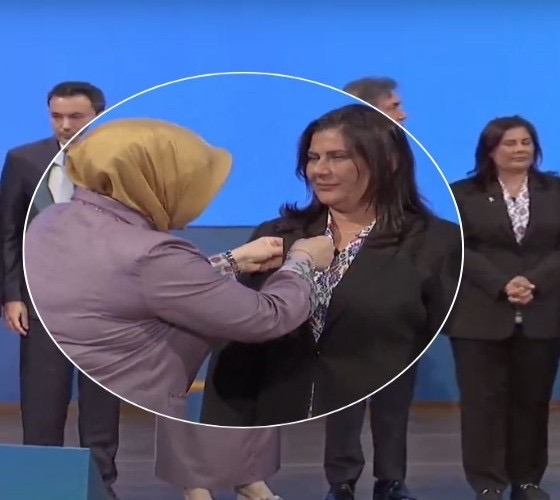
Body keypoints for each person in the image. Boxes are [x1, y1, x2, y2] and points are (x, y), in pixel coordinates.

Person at [22, 117, 335, 500]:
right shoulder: (152, 253)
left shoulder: (55, 217)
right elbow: (266, 317)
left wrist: (231, 261)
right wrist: (303, 261)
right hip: (142, 374)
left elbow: (137, 285)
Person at [199, 105, 461, 434]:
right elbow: (238, 340)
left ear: (389, 162)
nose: (320, 170)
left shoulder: (436, 243)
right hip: (273, 428)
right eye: (313, 158)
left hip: (365, 427)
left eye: (338, 157)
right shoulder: (276, 235)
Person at [446, 115, 560, 500]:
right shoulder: (462, 193)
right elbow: (458, 247)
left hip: (542, 312)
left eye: (526, 142)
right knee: (482, 404)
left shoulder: (559, 191)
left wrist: (533, 282)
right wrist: (501, 283)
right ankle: (488, 483)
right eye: (509, 143)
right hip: (479, 313)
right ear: (490, 150)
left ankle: (527, 480)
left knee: (532, 402)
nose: (519, 149)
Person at [0, 81, 122, 498]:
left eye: (75, 116)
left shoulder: (123, 160)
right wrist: (12, 295)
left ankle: (100, 486)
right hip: (41, 300)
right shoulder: (23, 160)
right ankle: (41, 485)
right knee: (42, 401)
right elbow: (8, 232)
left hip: (106, 304)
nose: (65, 125)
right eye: (57, 116)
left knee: (101, 404)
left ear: (98, 115)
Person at [316, 76, 419, 500]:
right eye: (394, 105)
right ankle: (341, 481)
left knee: (394, 399)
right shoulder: (332, 151)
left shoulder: (401, 152)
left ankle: (391, 479)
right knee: (342, 399)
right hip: (344, 284)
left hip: (395, 282)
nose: (403, 114)